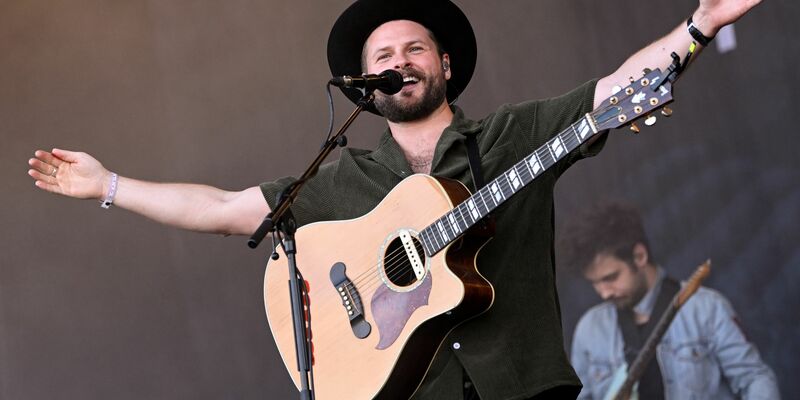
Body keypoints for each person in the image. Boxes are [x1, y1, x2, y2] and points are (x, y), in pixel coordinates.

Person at [27, 0, 762, 398]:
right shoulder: (338, 181)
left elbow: (617, 87)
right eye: (381, 58)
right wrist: (110, 186)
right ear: (363, 84)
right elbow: (222, 209)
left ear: (445, 63)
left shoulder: (511, 135)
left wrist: (700, 24)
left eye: (414, 49)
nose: (398, 63)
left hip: (523, 387)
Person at [560, 201, 779, 399]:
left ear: (639, 256)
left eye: (611, 278)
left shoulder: (706, 309)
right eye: (594, 283)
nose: (604, 293)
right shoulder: (589, 330)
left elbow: (754, 378)